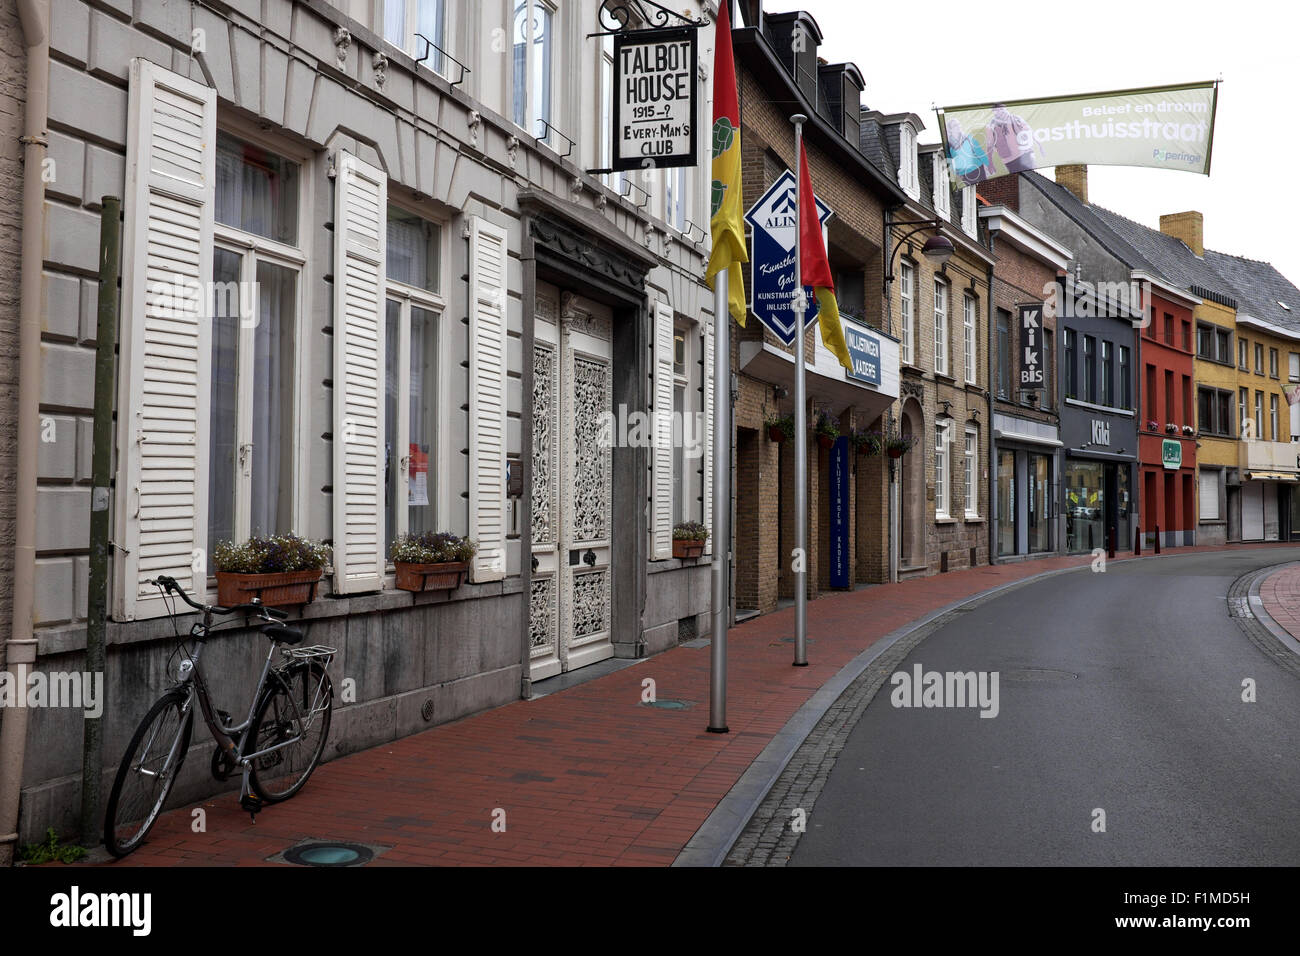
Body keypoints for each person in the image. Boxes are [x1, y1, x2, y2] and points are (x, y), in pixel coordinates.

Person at [985, 104, 1045, 174]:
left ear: (1005, 109)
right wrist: (990, 163)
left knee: (1034, 176)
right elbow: (990, 145)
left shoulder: (1016, 118)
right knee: (1019, 180)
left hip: (1026, 154)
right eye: (996, 110)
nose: (999, 111)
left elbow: (1030, 132)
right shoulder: (991, 126)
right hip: (1009, 160)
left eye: (1001, 109)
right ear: (993, 112)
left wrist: (1040, 145)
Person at [946, 118, 994, 184]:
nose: (958, 126)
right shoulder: (949, 146)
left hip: (979, 169)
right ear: (950, 130)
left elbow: (979, 151)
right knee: (973, 193)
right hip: (965, 174)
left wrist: (988, 164)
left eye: (958, 124)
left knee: (985, 188)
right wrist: (953, 176)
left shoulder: (968, 137)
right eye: (955, 125)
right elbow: (950, 161)